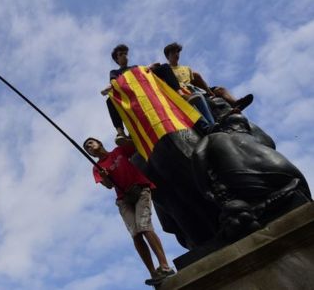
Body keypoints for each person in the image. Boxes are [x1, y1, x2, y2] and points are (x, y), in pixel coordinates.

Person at [83, 137, 176, 286]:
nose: (90, 147)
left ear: (99, 143)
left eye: (91, 143)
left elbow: (135, 146)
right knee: (136, 234)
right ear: (90, 154)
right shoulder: (97, 167)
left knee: (144, 226)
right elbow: (107, 185)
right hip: (123, 199)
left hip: (139, 190)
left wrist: (125, 140)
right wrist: (105, 177)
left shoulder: (118, 152)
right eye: (87, 148)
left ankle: (165, 266)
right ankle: (153, 273)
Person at [101, 44, 182, 144]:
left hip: (143, 89)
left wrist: (150, 67)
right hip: (129, 94)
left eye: (125, 54)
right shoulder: (114, 72)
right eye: (121, 54)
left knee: (164, 67)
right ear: (117, 59)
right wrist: (108, 89)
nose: (124, 56)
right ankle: (121, 133)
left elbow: (143, 72)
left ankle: (180, 94)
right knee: (110, 101)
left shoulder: (135, 67)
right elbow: (114, 83)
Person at [163, 42, 253, 114]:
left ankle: (236, 103)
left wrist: (209, 91)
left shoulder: (186, 68)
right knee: (205, 100)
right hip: (182, 91)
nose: (176, 54)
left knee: (220, 89)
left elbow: (197, 78)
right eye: (173, 52)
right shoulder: (166, 69)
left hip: (194, 88)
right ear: (168, 56)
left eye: (178, 52)